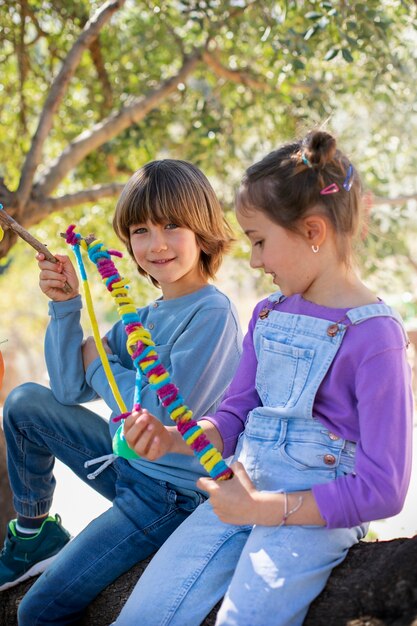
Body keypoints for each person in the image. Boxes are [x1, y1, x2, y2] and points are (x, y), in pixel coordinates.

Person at [112, 131, 413, 626]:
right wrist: (171, 438)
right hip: (239, 488)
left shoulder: (376, 338)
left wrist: (267, 509)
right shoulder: (268, 314)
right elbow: (234, 416)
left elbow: (385, 488)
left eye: (259, 242)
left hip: (312, 515)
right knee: (143, 616)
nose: (253, 260)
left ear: (313, 232)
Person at [0, 159, 243, 624]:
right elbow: (69, 387)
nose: (156, 244)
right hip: (129, 466)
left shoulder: (212, 313)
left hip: (169, 493)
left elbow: (153, 419)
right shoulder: (147, 316)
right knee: (26, 403)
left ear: (203, 230)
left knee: (38, 611)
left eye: (172, 225)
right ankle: (34, 532)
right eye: (140, 230)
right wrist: (66, 307)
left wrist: (99, 364)